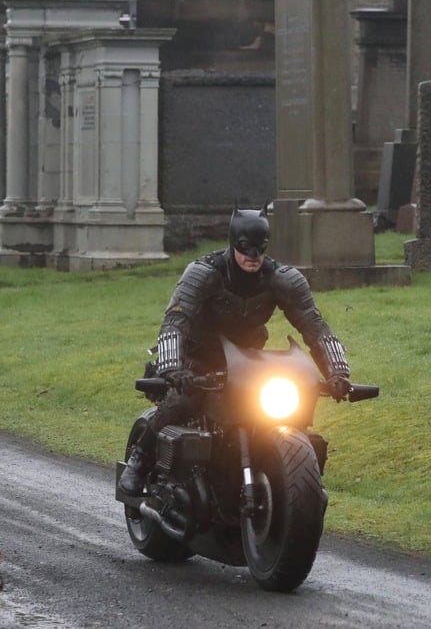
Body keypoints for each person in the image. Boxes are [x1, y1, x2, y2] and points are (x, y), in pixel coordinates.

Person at [118, 206, 353, 496]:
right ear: (233, 243)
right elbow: (175, 321)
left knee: (284, 412)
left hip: (248, 361)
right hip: (197, 358)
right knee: (180, 402)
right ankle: (139, 462)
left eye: (260, 248)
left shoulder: (283, 278)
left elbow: (315, 327)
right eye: (245, 248)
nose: (253, 257)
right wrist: (172, 368)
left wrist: (337, 371)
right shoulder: (203, 272)